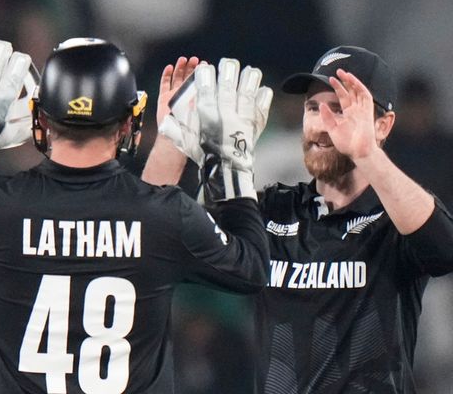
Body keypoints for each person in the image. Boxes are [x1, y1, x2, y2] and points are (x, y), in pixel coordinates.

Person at [0, 38, 271, 393]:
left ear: (39, 117)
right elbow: (251, 267)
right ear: (128, 123)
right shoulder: (166, 217)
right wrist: (229, 163)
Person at [142, 45, 453, 393]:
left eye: (340, 110)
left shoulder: (391, 219)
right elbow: (151, 238)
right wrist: (173, 140)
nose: (321, 125)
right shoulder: (272, 210)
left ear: (383, 125)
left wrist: (366, 153)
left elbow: (445, 249)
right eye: (312, 108)